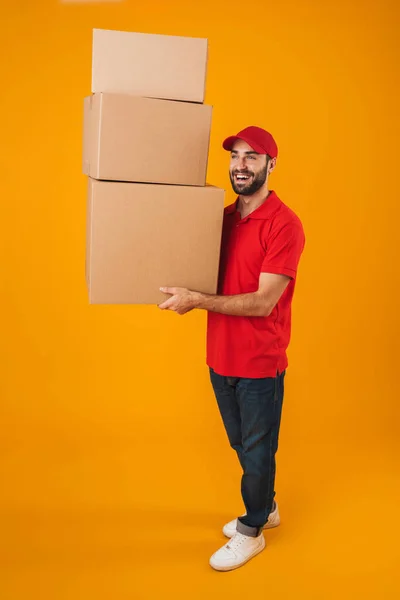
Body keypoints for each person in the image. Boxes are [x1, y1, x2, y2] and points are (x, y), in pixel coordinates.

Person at [159, 126, 305, 572]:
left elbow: (263, 302)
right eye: (235, 156)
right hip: (220, 355)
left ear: (270, 165)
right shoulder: (219, 218)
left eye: (252, 157)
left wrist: (198, 301)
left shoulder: (285, 224)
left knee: (258, 451)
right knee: (242, 444)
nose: (241, 164)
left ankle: (252, 529)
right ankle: (269, 506)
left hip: (260, 362)